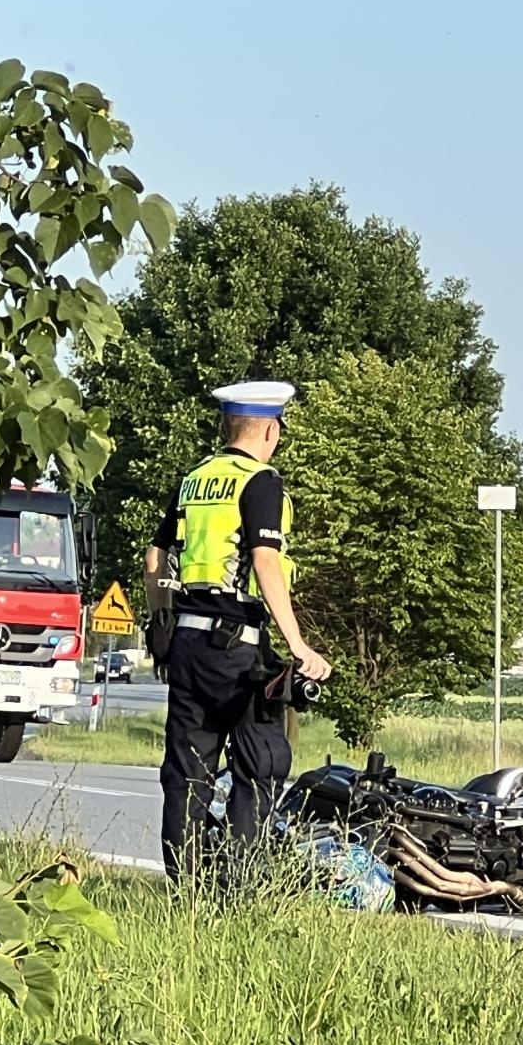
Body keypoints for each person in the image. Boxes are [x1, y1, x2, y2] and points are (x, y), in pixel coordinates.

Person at [142, 380, 332, 889]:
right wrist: (298, 645)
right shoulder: (261, 480)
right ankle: (238, 888)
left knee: (186, 772)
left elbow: (155, 558)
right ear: (270, 430)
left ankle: (187, 888)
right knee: (262, 759)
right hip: (237, 645)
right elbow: (265, 560)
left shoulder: (194, 480)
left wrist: (161, 622)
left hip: (185, 642)